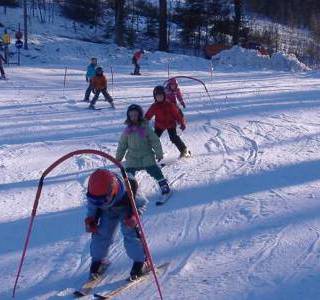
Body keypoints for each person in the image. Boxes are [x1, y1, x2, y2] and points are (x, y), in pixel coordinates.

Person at [85, 169, 150, 280]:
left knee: (130, 233)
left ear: (112, 191)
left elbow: (142, 203)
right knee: (101, 234)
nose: (98, 203)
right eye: (95, 200)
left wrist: (135, 216)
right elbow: (92, 206)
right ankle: (98, 261)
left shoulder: (129, 187)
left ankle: (141, 261)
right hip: (108, 211)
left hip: (127, 210)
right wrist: (90, 219)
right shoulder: (96, 194)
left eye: (102, 200)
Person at [116, 104, 171, 196]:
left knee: (155, 171)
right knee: (128, 174)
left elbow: (155, 141)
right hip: (132, 157)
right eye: (131, 115)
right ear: (129, 117)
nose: (133, 117)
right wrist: (118, 158)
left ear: (140, 116)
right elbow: (122, 145)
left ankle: (163, 185)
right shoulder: (127, 130)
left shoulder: (145, 128)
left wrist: (159, 154)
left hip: (146, 155)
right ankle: (130, 190)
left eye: (135, 115)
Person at [145, 86, 190, 158]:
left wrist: (182, 122)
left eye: (161, 96)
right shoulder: (154, 106)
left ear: (164, 95)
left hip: (170, 124)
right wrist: (142, 122)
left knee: (173, 137)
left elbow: (177, 114)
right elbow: (148, 115)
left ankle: (184, 150)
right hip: (159, 125)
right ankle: (147, 152)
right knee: (154, 138)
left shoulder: (169, 105)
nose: (159, 97)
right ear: (155, 97)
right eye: (157, 96)